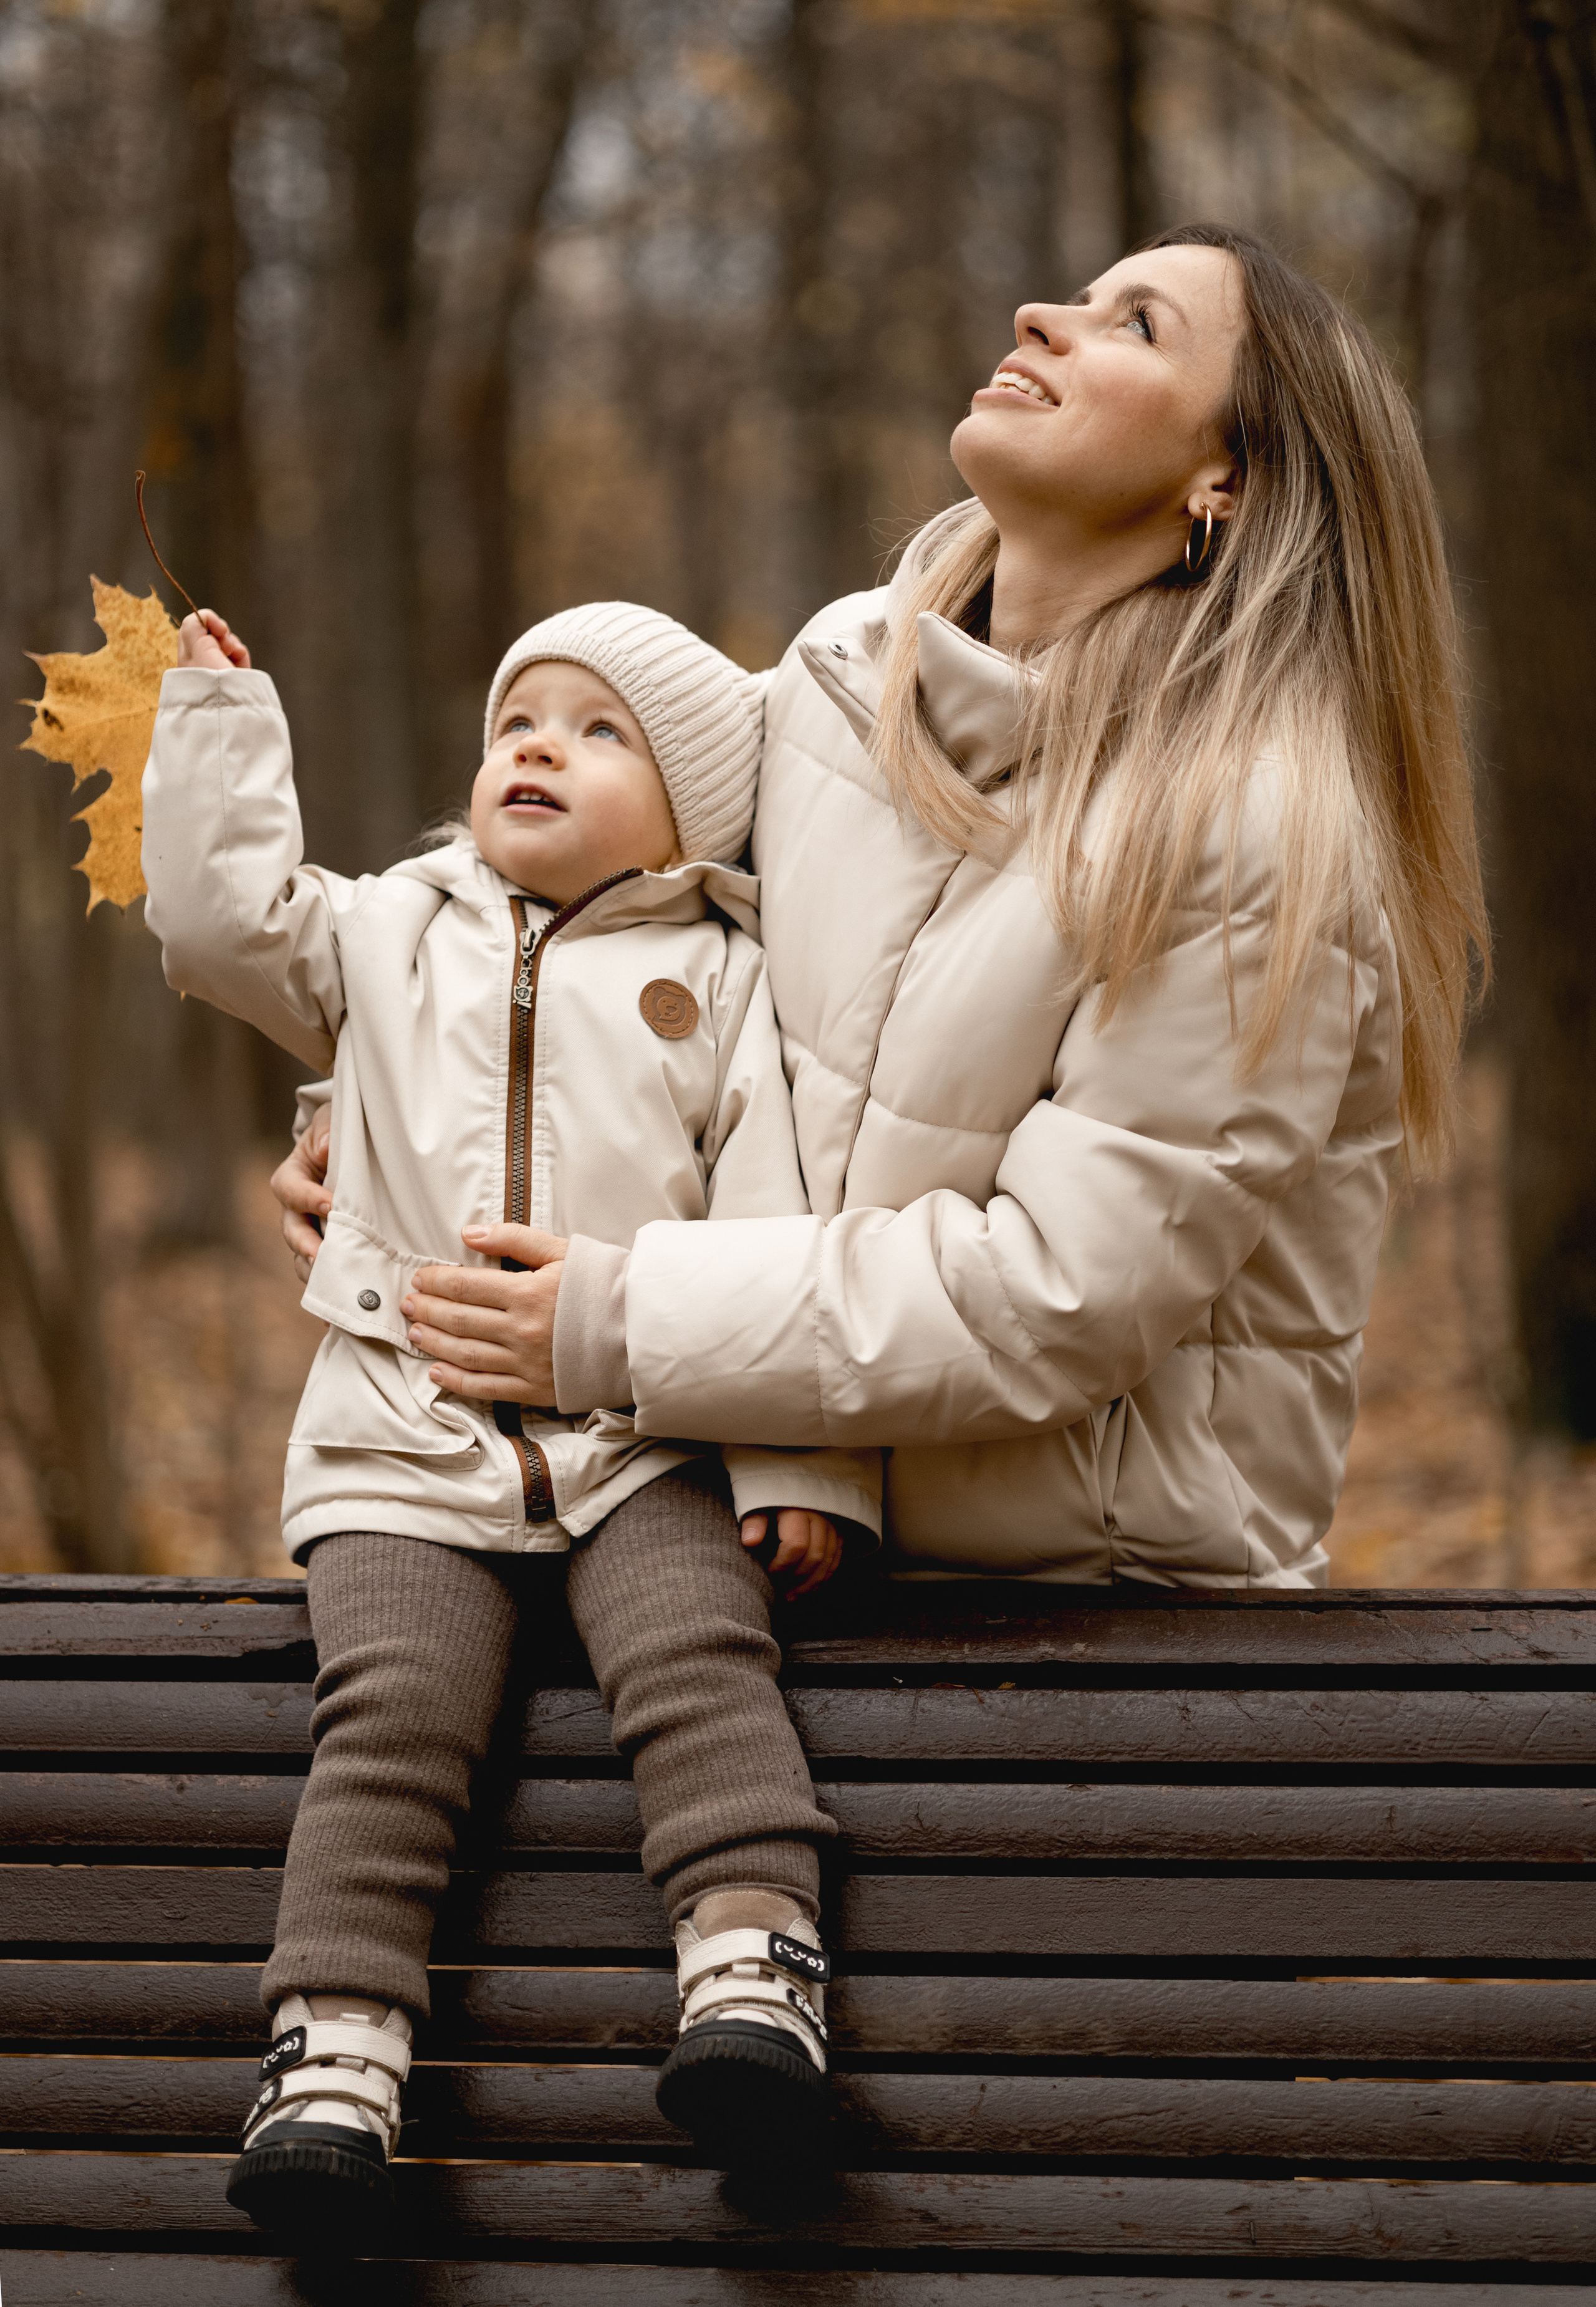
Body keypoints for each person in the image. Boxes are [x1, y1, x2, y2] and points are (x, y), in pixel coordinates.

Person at [277, 224, 1486, 1596]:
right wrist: (390, 1119)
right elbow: (602, 942)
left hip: (1102, 1628)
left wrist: (613, 1321)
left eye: (1134, 325)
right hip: (778, 1555)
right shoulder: (834, 682)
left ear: (1228, 476)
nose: (1038, 314)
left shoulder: (1251, 829)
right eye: (1073, 300)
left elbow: (1054, 1298)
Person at [141, 598, 880, 2237]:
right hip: (404, 1434)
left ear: (691, 809)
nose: (535, 744)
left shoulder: (730, 975)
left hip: (647, 1433)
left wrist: (799, 1460)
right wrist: (215, 734)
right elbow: (214, 928)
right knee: (393, 1708)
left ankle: (752, 1966)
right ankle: (337, 2053)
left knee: (701, 1654)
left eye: (597, 728)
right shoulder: (390, 930)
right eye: (516, 720)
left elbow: (775, 1233)